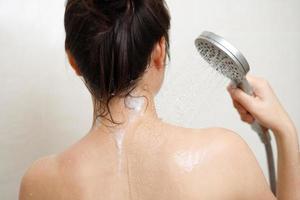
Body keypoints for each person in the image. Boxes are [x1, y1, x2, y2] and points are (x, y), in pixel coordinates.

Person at [19, 0, 300, 199]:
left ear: (74, 61)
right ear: (159, 50)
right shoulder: (223, 156)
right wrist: (285, 132)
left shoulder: (39, 183)